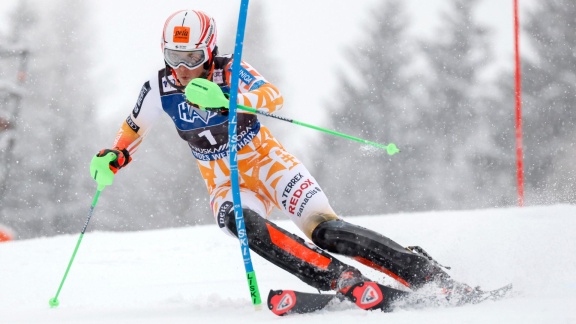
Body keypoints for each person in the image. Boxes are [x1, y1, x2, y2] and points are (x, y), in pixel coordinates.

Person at [92, 9, 467, 311]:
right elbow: (133, 129)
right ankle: (340, 279)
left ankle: (425, 273)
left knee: (325, 231)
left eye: (192, 57)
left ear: (209, 50)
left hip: (270, 164)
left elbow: (273, 98)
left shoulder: (232, 69)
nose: (183, 68)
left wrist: (228, 99)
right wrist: (114, 155)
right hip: (225, 181)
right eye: (174, 57)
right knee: (241, 223)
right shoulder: (159, 88)